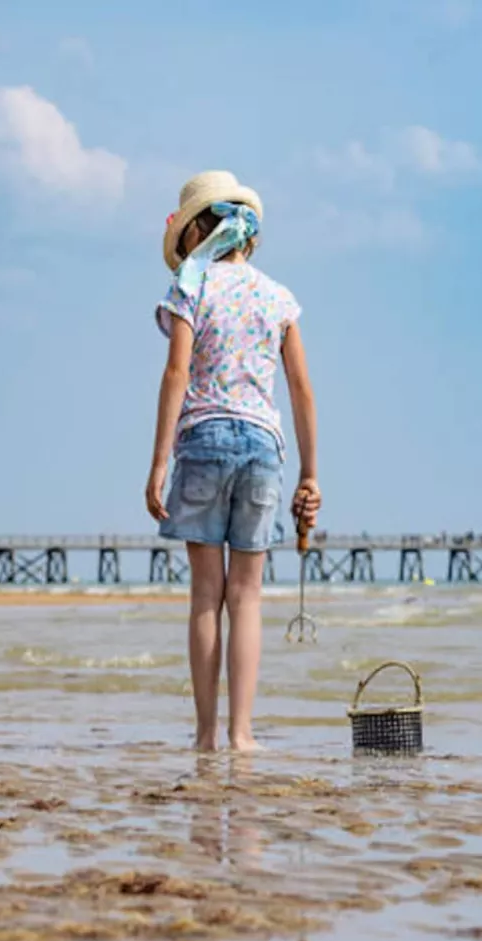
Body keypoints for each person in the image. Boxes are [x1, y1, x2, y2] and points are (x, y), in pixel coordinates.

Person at [144, 171, 320, 752]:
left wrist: (159, 463)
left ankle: (205, 736)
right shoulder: (278, 297)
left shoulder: (191, 286)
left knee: (206, 596)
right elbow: (301, 390)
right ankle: (243, 734)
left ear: (196, 229)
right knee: (246, 597)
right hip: (263, 450)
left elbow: (176, 374)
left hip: (203, 439)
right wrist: (310, 474)